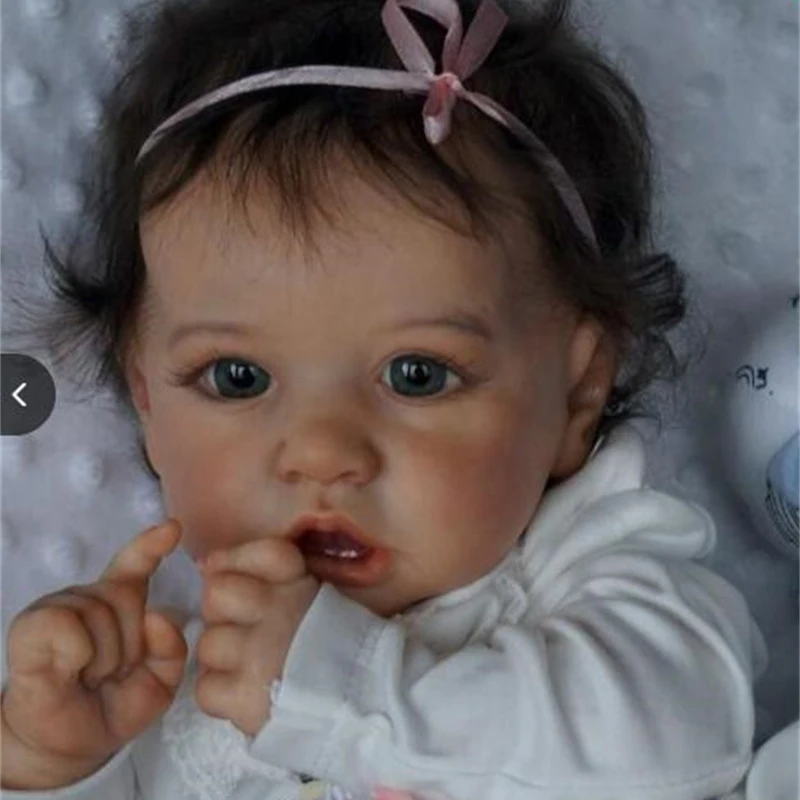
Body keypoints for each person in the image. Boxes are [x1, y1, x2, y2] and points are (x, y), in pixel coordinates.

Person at [0, 0, 766, 798]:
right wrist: (50, 765)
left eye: (417, 375)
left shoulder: (590, 585)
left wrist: (344, 689)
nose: (321, 453)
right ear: (147, 403)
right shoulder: (174, 688)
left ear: (577, 393)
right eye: (237, 378)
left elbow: (684, 735)